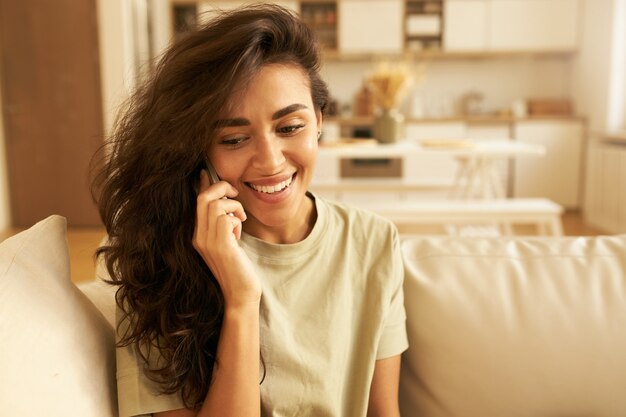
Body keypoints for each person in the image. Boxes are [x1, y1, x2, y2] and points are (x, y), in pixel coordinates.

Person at [92, 4, 408, 417]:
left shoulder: (374, 241)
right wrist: (241, 300)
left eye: (289, 127)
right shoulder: (154, 263)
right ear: (197, 150)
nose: (270, 161)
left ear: (318, 120)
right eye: (235, 139)